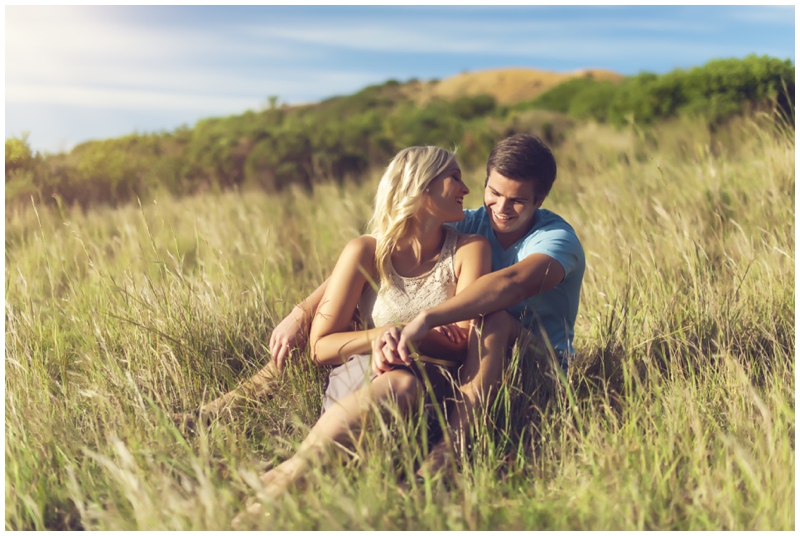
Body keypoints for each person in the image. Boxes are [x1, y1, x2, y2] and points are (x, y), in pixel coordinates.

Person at [260, 133, 585, 476]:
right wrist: (303, 311)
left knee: (495, 319)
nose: (502, 209)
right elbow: (381, 251)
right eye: (494, 192)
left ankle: (452, 451)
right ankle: (232, 408)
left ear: (540, 199)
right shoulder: (472, 219)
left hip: (531, 362)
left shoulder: (556, 239)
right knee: (344, 320)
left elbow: (512, 285)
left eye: (517, 201)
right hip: (463, 359)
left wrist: (424, 320)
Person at [234, 145, 491, 518]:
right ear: (421, 185)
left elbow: (462, 344)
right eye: (454, 177)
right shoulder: (364, 253)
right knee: (390, 387)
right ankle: (274, 496)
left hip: (430, 390)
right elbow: (320, 347)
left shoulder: (470, 250)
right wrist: (386, 334)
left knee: (403, 383)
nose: (465, 189)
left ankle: (279, 482)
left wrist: (409, 338)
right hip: (359, 378)